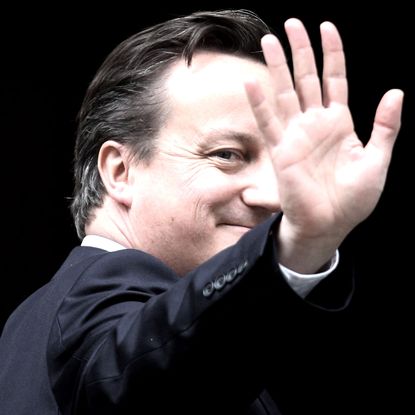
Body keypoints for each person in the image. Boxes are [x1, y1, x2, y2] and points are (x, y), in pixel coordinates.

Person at [0, 9, 403, 415]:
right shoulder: (102, 299)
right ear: (120, 171)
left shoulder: (29, 326)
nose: (273, 196)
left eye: (280, 165)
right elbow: (147, 376)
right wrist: (300, 245)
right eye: (228, 155)